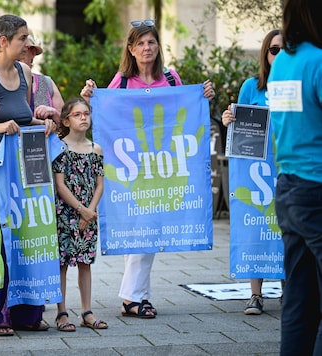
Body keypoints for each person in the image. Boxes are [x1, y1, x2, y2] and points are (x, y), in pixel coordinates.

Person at [80, 19, 215, 319]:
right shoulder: (122, 82)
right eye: (140, 43)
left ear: (158, 47)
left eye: (151, 42)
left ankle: (136, 296)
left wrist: (203, 98)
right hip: (131, 168)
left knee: (150, 230)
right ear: (130, 48)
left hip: (163, 167)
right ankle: (134, 298)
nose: (146, 48)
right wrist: (90, 98)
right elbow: (102, 115)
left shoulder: (170, 78)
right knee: (138, 231)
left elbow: (188, 112)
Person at [0, 13, 56, 336]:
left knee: (26, 238)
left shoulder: (26, 72)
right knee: (0, 242)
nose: (27, 44)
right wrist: (0, 126)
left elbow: (26, 117)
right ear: (3, 42)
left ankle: (26, 313)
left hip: (24, 170)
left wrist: (43, 122)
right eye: (22, 39)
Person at [266, 0, 322, 354]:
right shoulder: (318, 61)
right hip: (317, 186)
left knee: (300, 299)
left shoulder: (283, 62)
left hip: (289, 187)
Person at [221, 29, 284, 316]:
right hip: (255, 172)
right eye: (273, 50)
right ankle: (255, 295)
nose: (279, 55)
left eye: (285, 49)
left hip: (286, 168)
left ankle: (288, 292)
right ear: (264, 53)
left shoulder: (295, 86)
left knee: (285, 229)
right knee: (256, 227)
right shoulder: (252, 86)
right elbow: (238, 127)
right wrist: (228, 118)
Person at [52, 98, 105, 331]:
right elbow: (60, 185)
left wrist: (90, 211)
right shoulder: (59, 147)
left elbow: (100, 184)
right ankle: (61, 313)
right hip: (65, 213)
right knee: (62, 263)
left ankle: (87, 311)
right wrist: (81, 210)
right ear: (66, 120)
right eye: (77, 114)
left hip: (89, 217)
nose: (83, 117)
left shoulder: (96, 149)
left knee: (85, 263)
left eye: (86, 113)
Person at [21, 34, 64, 123]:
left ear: (32, 53)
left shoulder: (46, 82)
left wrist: (54, 113)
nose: (17, 56)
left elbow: (66, 123)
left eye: (23, 51)